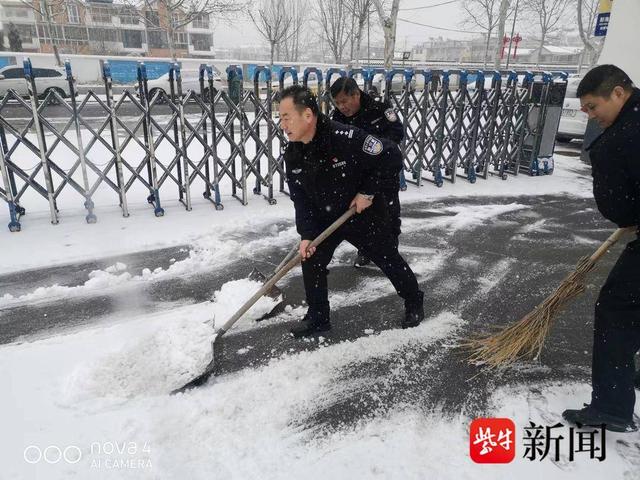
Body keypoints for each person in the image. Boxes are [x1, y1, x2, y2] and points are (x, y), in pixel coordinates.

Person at [279, 84, 424, 338]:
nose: (283, 125)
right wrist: (306, 234)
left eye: (286, 117)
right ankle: (318, 317)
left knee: (387, 258)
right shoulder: (293, 155)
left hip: (360, 213)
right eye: (281, 118)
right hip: (327, 217)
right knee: (311, 258)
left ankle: (414, 300)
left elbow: (390, 156)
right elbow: (300, 199)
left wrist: (368, 192)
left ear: (308, 116)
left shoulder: (345, 137)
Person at [562, 65, 640, 433]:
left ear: (619, 94)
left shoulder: (620, 138)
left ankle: (611, 406)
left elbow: (619, 210)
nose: (591, 116)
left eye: (593, 107)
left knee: (617, 310)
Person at [330, 77, 405, 268]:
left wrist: (377, 148)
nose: (341, 107)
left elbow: (397, 132)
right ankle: (365, 250)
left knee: (389, 213)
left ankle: (391, 253)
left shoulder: (380, 110)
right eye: (337, 103)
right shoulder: (337, 118)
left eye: (344, 101)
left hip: (383, 173)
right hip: (359, 176)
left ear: (356, 94)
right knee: (363, 215)